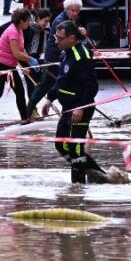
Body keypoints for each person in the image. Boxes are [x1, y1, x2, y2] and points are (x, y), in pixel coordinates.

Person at [41, 20, 104, 183]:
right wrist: (50, 98)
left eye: (59, 38)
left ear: (71, 38)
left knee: (76, 149)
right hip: (67, 109)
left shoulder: (81, 56)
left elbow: (92, 87)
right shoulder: (65, 53)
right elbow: (62, 80)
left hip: (80, 110)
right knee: (61, 145)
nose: (56, 41)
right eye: (56, 37)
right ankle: (100, 174)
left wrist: (81, 108)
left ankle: (78, 191)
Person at [28, 0, 85, 117]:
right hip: (54, 56)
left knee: (65, 81)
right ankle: (29, 109)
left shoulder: (76, 18)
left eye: (77, 11)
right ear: (67, 9)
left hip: (66, 55)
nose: (75, 13)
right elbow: (70, 37)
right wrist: (79, 33)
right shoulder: (60, 21)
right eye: (73, 10)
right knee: (46, 83)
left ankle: (65, 108)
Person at [0, 8, 37, 123]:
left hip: (9, 65)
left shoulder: (19, 30)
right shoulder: (13, 32)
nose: (29, 23)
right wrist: (30, 59)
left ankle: (24, 118)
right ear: (21, 21)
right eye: (27, 21)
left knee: (19, 91)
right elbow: (16, 53)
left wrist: (25, 65)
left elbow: (21, 49)